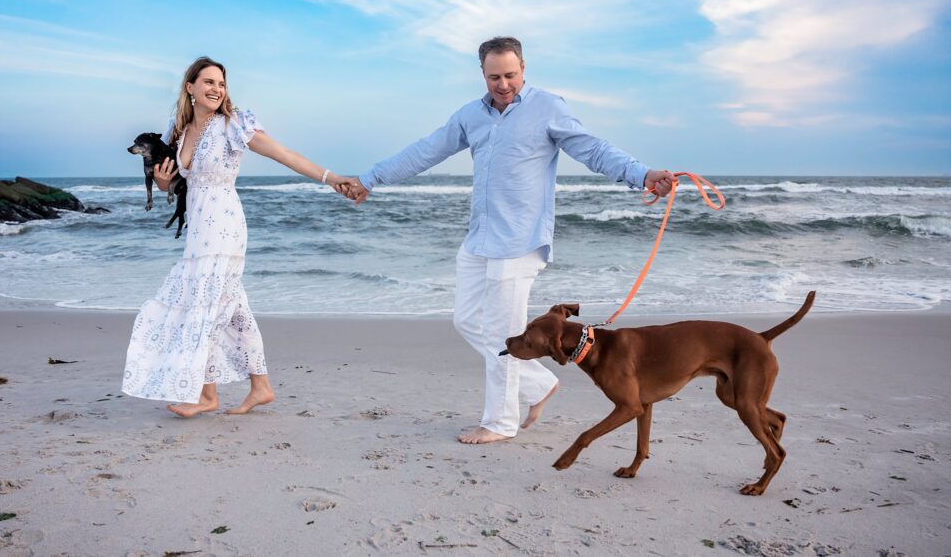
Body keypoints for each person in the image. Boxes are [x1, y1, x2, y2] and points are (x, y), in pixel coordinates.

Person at [343, 37, 674, 443]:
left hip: (520, 239)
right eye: (494, 77)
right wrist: (369, 179)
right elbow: (425, 151)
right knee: (466, 320)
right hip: (480, 237)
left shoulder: (548, 107)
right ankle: (537, 384)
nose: (503, 85)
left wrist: (642, 174)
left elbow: (594, 151)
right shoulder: (470, 116)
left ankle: (500, 422)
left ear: (524, 68)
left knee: (502, 330)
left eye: (510, 75)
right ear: (482, 74)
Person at [122, 56, 357, 417]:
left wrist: (330, 177)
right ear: (191, 88)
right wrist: (163, 182)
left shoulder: (232, 125)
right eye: (209, 83)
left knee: (204, 306)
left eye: (221, 83)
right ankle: (260, 387)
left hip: (225, 226)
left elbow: (283, 154)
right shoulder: (179, 131)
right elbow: (172, 182)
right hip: (199, 229)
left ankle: (206, 395)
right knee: (232, 311)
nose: (217, 89)